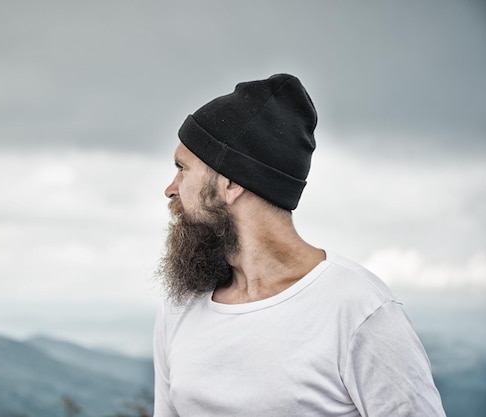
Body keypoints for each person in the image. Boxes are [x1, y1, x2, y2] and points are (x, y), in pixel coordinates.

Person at [153, 73, 446, 416]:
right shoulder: (181, 308)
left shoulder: (358, 309)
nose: (170, 189)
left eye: (182, 168)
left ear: (231, 183)